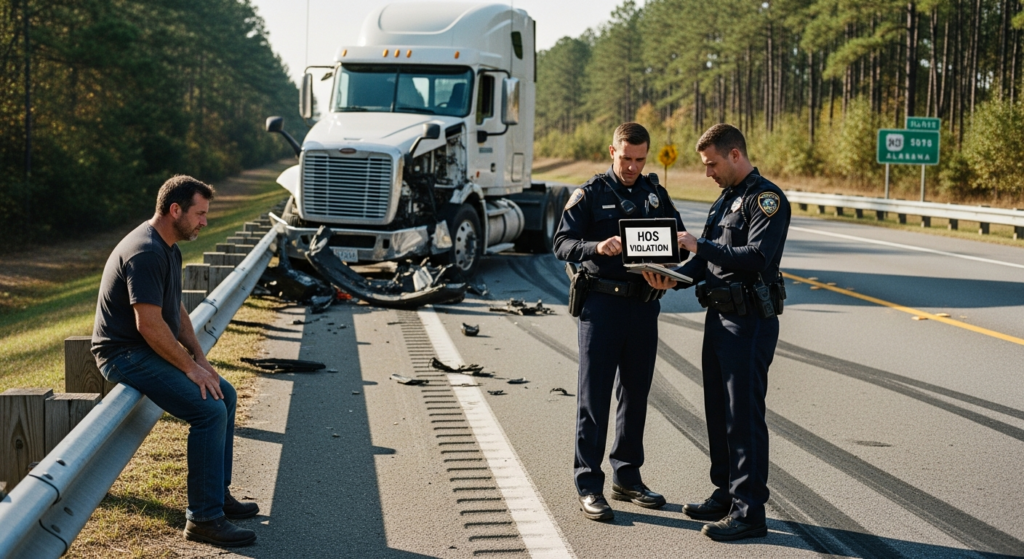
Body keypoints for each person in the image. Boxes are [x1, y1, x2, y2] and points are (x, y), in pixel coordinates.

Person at [91, 175, 259, 548]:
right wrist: (188, 368)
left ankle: (218, 495)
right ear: (175, 210)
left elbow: (175, 310)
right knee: (209, 411)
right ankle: (203, 518)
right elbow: (148, 324)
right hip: (122, 354)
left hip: (144, 347)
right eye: (200, 214)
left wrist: (200, 358)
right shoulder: (146, 250)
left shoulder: (169, 247)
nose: (204, 222)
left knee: (224, 395)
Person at [643, 123, 790, 541]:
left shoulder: (766, 200)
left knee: (743, 417)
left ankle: (749, 512)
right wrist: (672, 277)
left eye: (712, 165)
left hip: (749, 322)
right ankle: (725, 492)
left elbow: (757, 257)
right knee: (719, 412)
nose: (708, 173)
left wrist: (698, 247)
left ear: (735, 156)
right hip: (719, 318)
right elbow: (705, 262)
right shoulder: (726, 200)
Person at [553, 122, 689, 521]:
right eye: (626, 158)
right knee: (593, 397)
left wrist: (671, 263)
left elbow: (677, 239)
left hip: (644, 306)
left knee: (635, 394)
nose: (632, 166)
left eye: (640, 159)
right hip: (602, 307)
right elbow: (561, 243)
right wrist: (597, 245)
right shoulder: (590, 193)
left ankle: (627, 477)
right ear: (611, 151)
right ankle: (589, 484)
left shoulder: (654, 193)